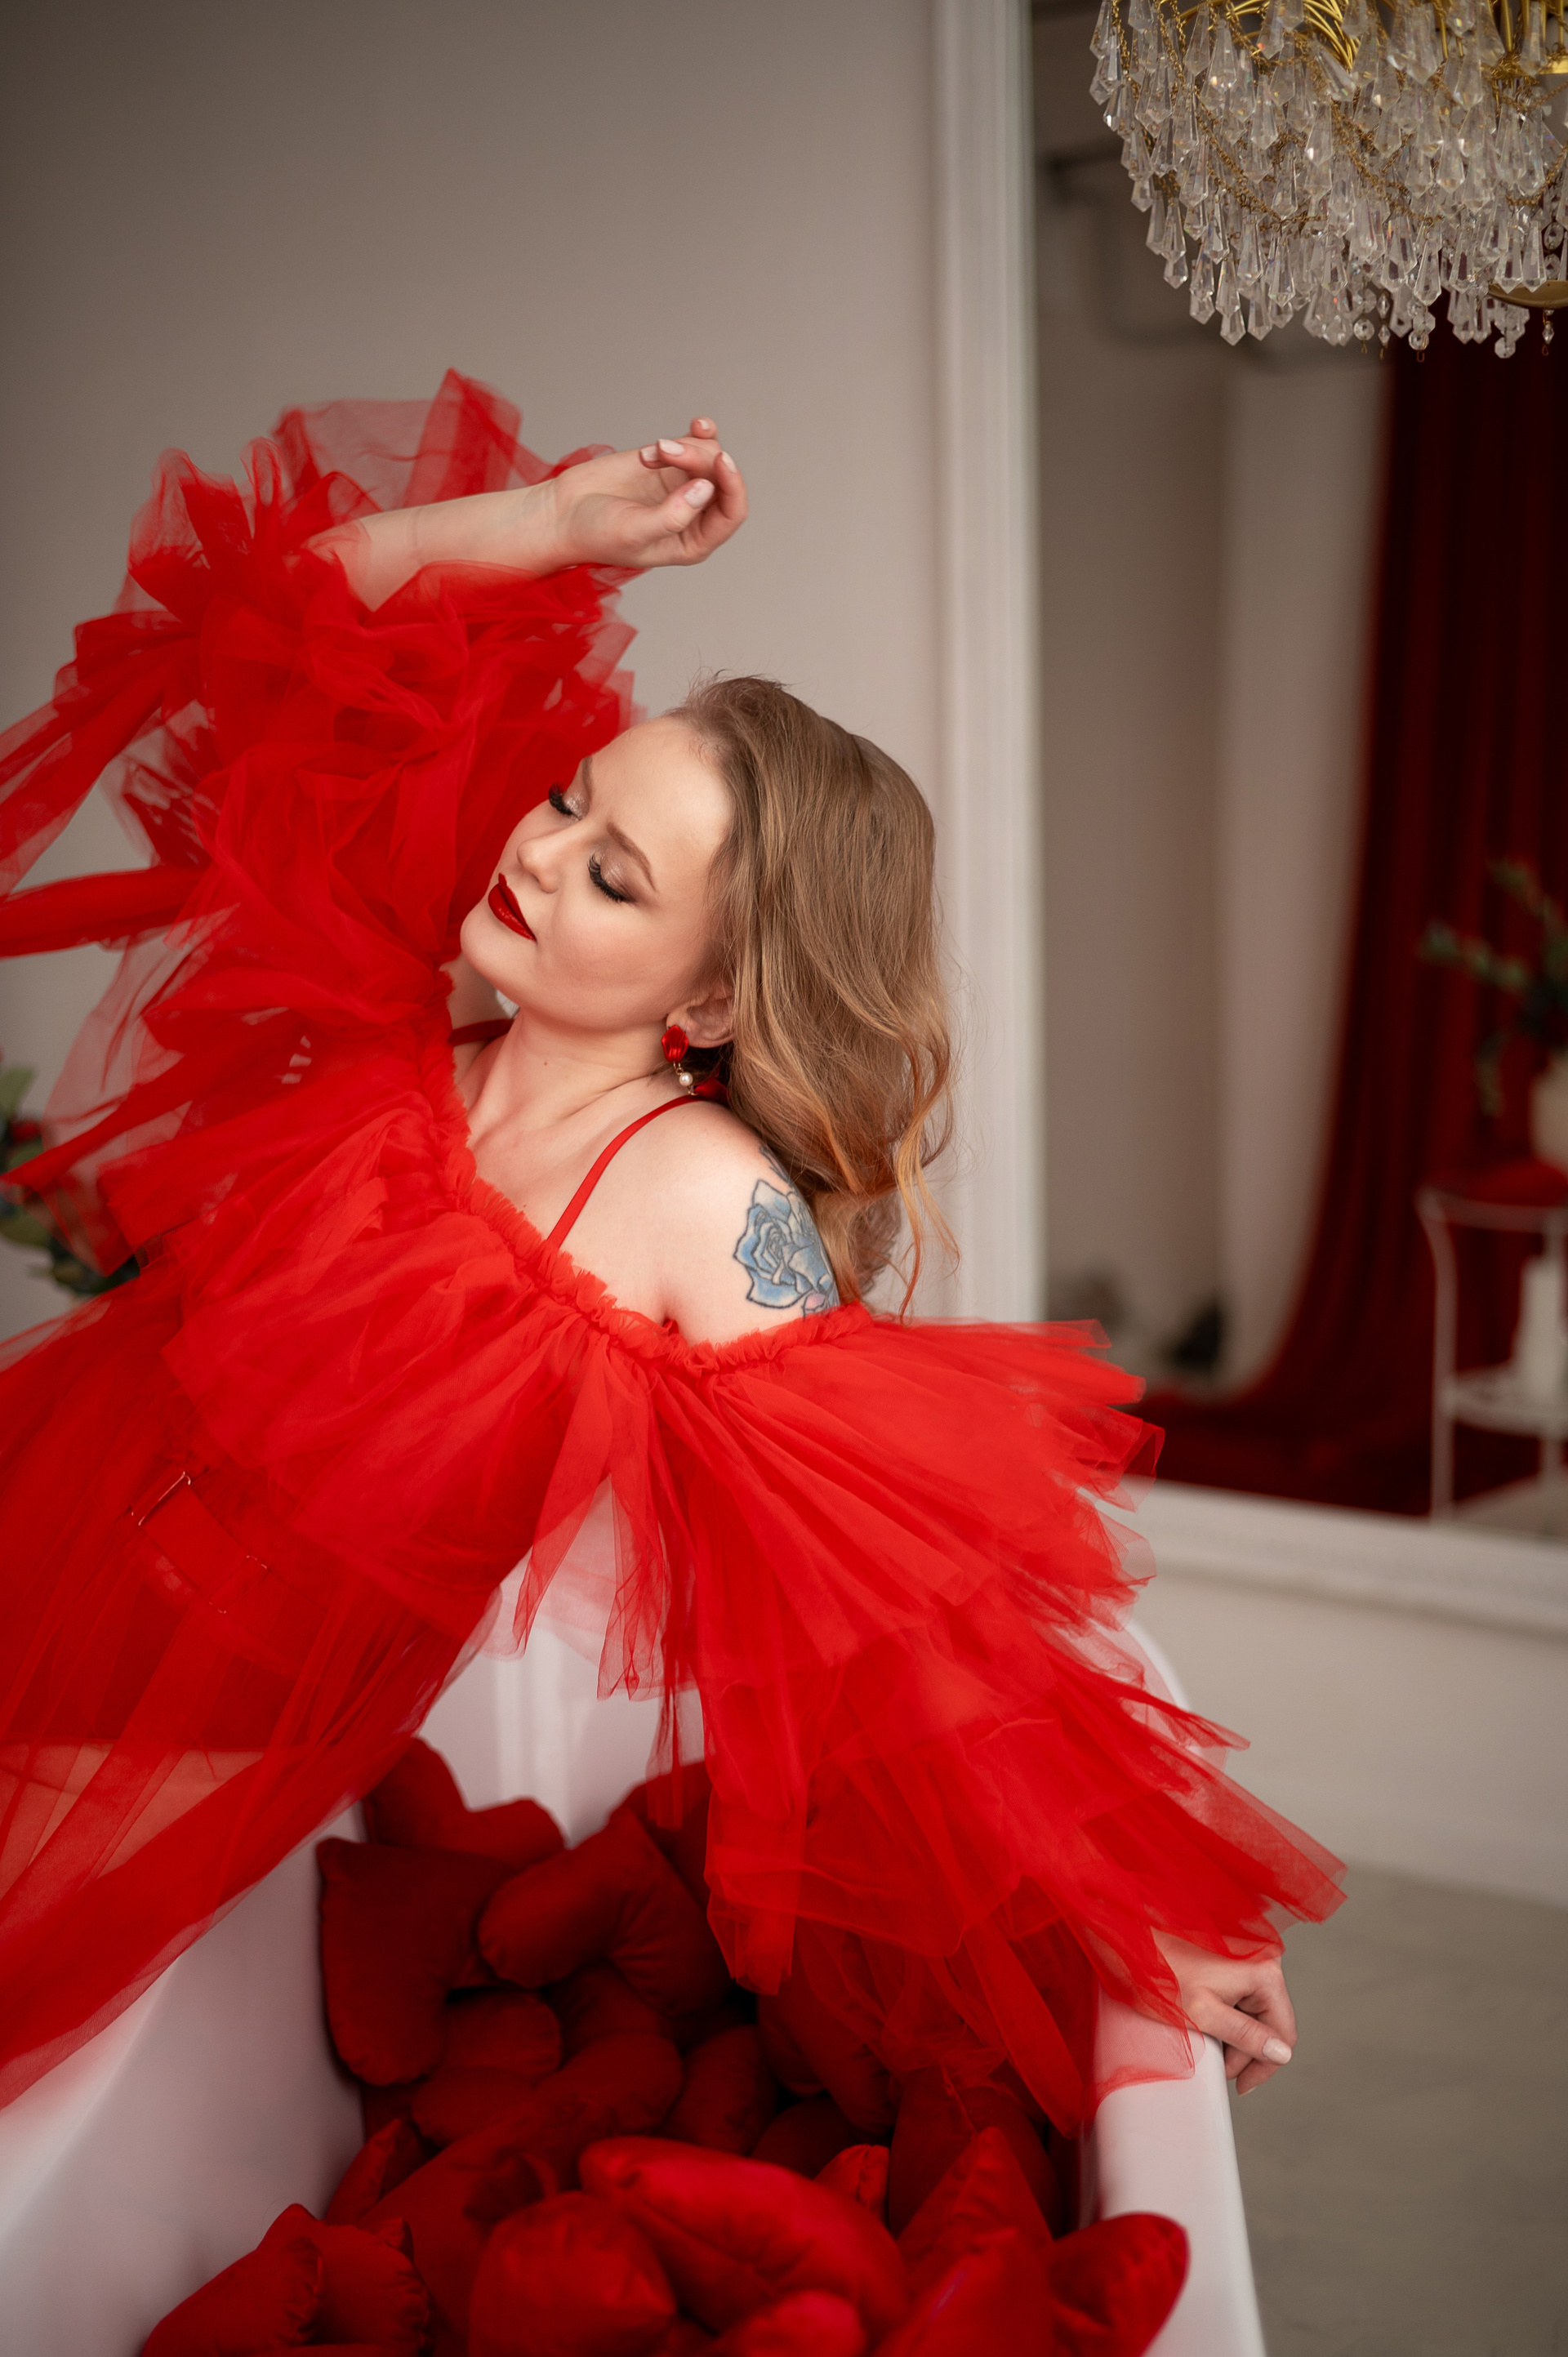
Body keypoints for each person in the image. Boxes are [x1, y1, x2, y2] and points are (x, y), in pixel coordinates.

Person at [0, 372, 1339, 2125]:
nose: (542, 854)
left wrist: (1127, 1907)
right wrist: (553, 524)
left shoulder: (700, 1200)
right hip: (41, 1521)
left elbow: (898, 1618)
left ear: (709, 999)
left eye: (617, 877)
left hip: (190, 1730)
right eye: (568, 801)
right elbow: (288, 629)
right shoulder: (405, 1022)